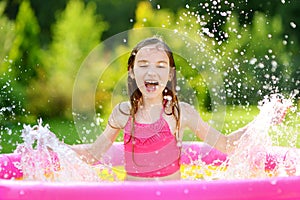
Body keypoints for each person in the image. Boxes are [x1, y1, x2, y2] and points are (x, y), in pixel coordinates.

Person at [71, 37, 289, 181]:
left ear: (170, 74)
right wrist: (52, 147)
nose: (151, 72)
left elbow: (226, 145)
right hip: (132, 194)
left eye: (160, 66)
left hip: (172, 194)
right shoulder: (122, 113)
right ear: (131, 71)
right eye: (143, 64)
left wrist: (263, 120)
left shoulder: (181, 113)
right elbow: (92, 155)